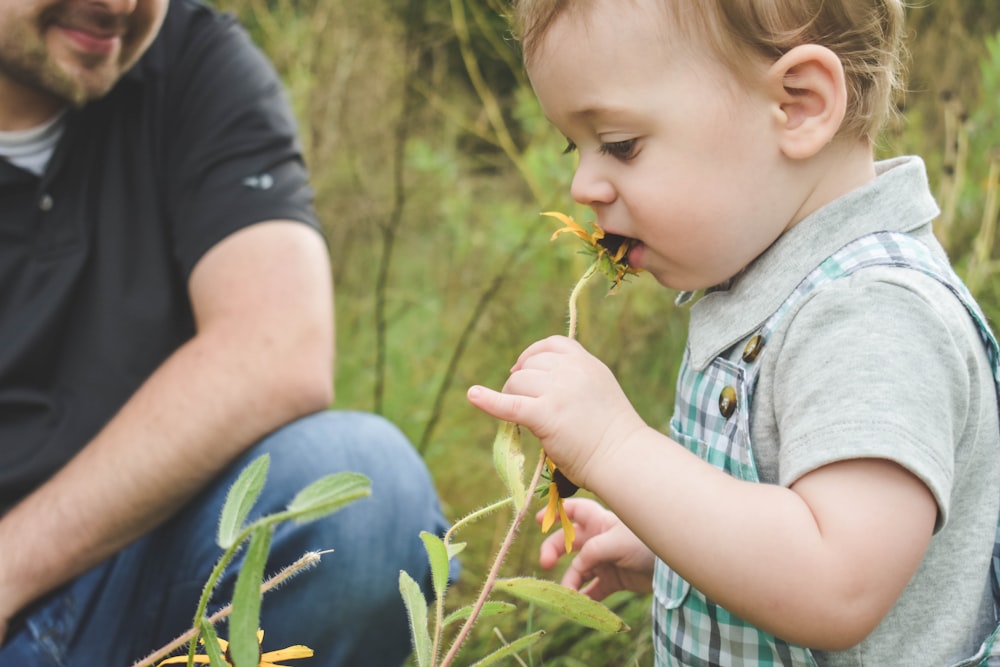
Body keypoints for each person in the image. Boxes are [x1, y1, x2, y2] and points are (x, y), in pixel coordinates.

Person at [466, 0, 1000, 664]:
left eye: (621, 144)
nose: (582, 185)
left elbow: (835, 582)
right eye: (577, 146)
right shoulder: (761, 279)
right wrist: (677, 555)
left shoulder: (875, 314)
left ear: (799, 105)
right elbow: (777, 526)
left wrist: (614, 443)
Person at [0, 0, 450, 664]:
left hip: (145, 577)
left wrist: (8, 568)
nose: (120, 5)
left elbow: (280, 346)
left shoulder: (195, 63)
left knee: (367, 489)